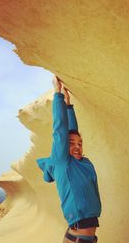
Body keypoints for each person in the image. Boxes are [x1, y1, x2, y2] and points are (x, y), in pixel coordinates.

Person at [36, 76, 102, 243]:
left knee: (73, 134)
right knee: (67, 135)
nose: (77, 146)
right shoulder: (63, 162)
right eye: (71, 144)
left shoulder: (83, 163)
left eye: (80, 143)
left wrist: (68, 105)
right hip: (79, 237)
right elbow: (61, 130)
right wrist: (57, 94)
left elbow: (73, 131)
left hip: (81, 236)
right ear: (64, 147)